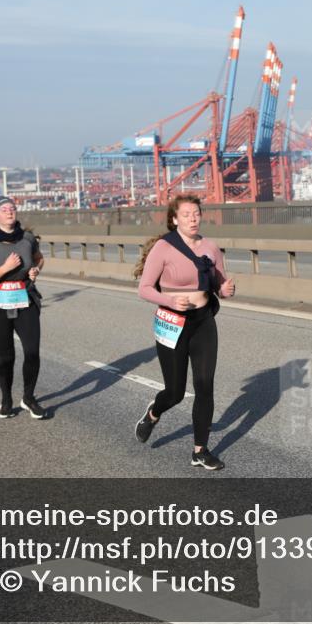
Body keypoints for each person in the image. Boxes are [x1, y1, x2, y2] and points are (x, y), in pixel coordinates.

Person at [134, 194, 236, 470]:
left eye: (196, 213)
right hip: (172, 321)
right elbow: (144, 289)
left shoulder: (211, 248)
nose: (193, 218)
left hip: (203, 321)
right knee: (175, 391)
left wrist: (224, 290)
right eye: (187, 214)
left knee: (205, 386)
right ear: (175, 219)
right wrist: (169, 300)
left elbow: (218, 284)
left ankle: (200, 450)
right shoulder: (163, 248)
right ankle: (153, 413)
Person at [0, 198, 48, 419]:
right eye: (4, 209)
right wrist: (5, 268)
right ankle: (6, 399)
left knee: (32, 351)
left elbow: (39, 259)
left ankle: (28, 398)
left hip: (25, 298)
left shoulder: (27, 238)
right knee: (6, 357)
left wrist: (34, 270)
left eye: (12, 209)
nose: (9, 212)